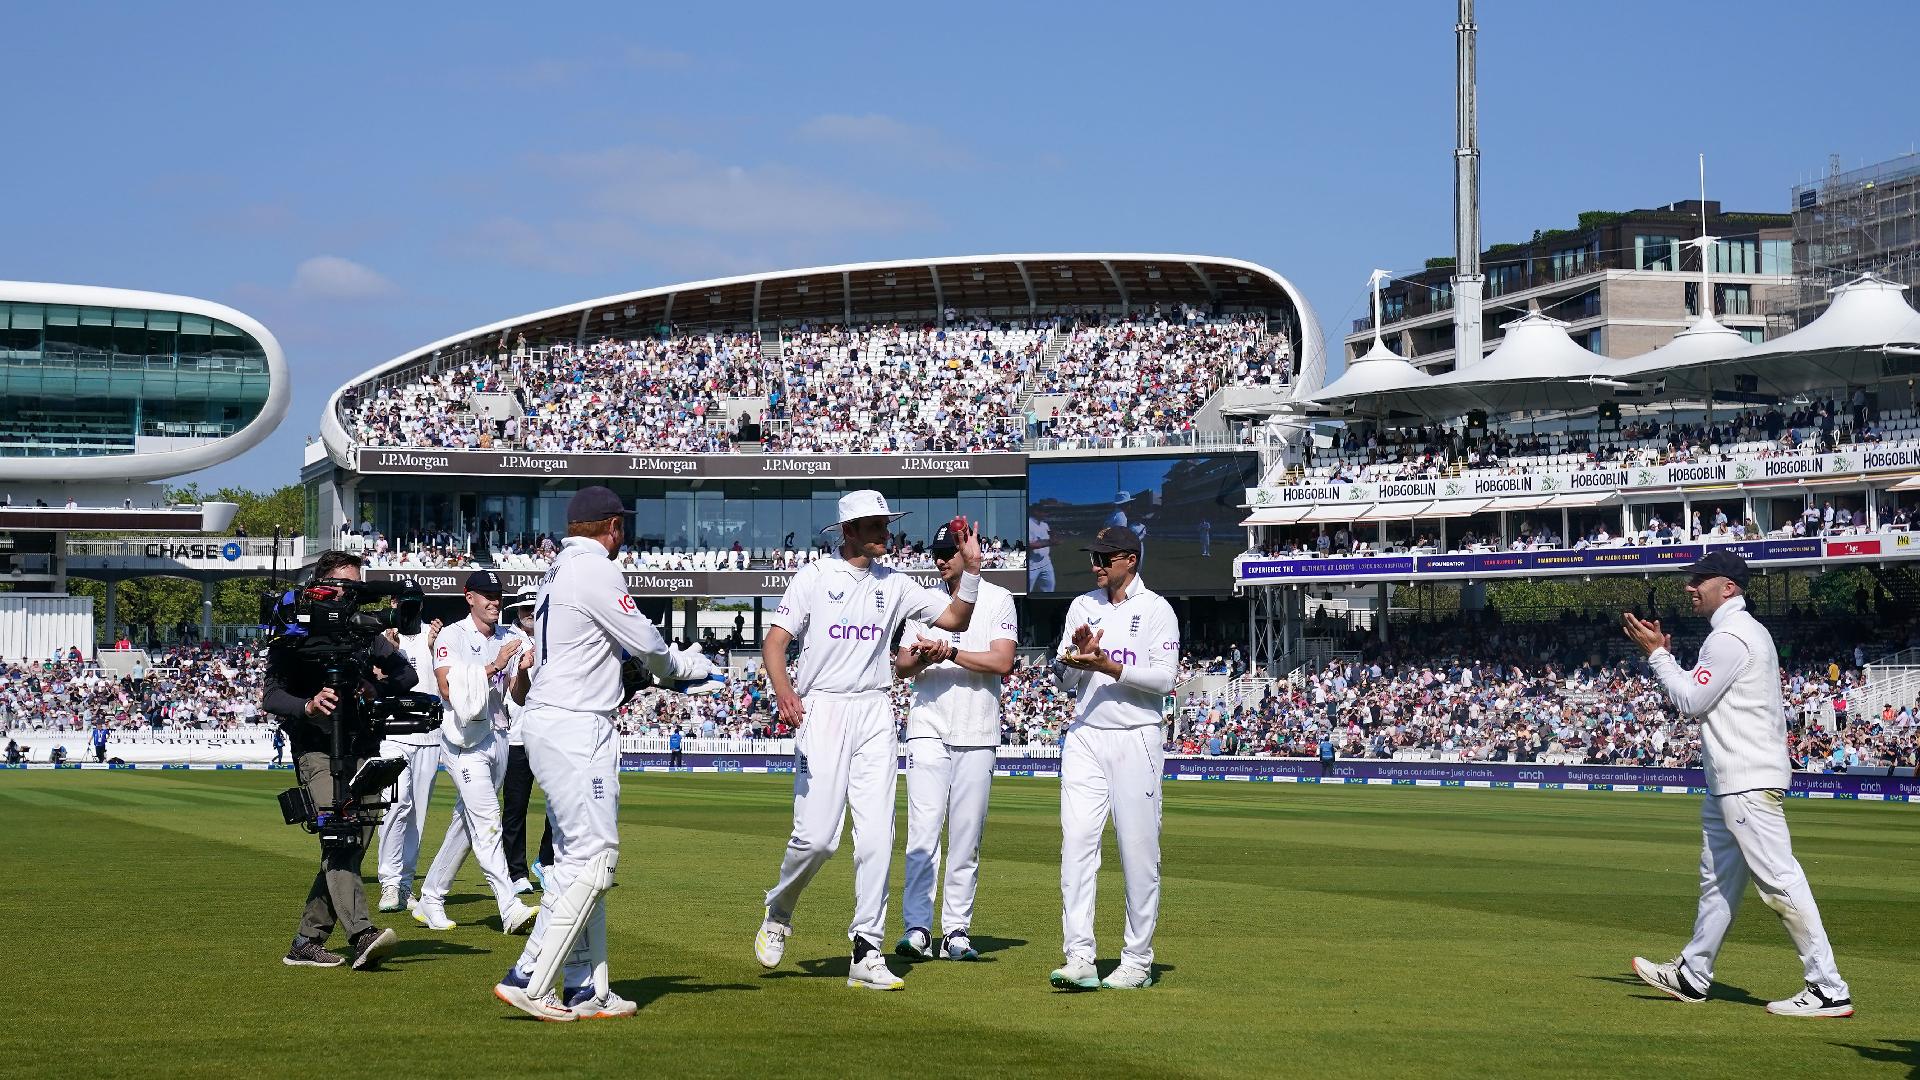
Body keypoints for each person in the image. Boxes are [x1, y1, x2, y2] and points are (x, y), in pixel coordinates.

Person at [493, 486, 711, 1022]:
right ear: (612, 526)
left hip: (554, 720)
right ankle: (530, 976)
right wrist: (684, 669)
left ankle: (587, 988)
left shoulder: (557, 573)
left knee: (576, 860)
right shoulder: (596, 571)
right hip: (576, 725)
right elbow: (648, 645)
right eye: (623, 527)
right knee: (594, 859)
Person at [752, 490, 983, 992]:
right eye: (876, 525)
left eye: (887, 523)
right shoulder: (814, 577)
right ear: (849, 532)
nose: (887, 532)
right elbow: (775, 642)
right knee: (816, 839)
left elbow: (956, 619)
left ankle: (866, 948)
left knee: (878, 837)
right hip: (824, 708)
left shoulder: (896, 584)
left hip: (876, 710)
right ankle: (780, 908)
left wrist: (972, 570)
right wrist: (786, 693)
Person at [1623, 550, 1853, 1018]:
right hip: (1731, 780)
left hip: (1745, 780)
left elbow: (1690, 701)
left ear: (1729, 587)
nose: (1691, 586)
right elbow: (1704, 695)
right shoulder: (1737, 634)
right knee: (1719, 883)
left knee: (1780, 882)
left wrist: (1659, 656)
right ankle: (1693, 971)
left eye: (1701, 579)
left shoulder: (1731, 636)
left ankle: (1828, 987)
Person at [261, 549, 413, 971]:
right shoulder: (294, 630)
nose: (350, 597)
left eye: (356, 588)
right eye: (344, 586)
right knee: (340, 834)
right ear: (321, 586)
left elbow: (406, 675)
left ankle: (306, 942)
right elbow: (271, 694)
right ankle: (362, 933)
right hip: (315, 746)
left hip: (362, 745)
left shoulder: (366, 631)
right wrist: (308, 705)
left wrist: (371, 688)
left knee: (354, 840)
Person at [1049, 525, 1178, 991]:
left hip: (1136, 736)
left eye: (1104, 559)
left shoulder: (1157, 609)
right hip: (1085, 735)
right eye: (1093, 559)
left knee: (1138, 850)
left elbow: (1165, 681)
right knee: (1077, 844)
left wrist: (1110, 666)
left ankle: (1137, 961)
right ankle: (1080, 956)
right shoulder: (1082, 606)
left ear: (1130, 560)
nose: (1095, 567)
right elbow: (1064, 683)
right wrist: (1076, 658)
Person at [892, 522, 1017, 963]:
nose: (942, 559)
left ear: (969, 552)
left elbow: (1002, 661)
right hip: (928, 726)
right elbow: (902, 666)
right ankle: (917, 928)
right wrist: (920, 655)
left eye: (949, 551)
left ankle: (957, 930)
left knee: (966, 836)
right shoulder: (923, 602)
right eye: (936, 553)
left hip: (978, 730)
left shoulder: (998, 597)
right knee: (922, 833)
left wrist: (950, 652)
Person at [414, 571, 539, 936]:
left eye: (498, 595)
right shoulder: (452, 635)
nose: (494, 601)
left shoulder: (511, 636)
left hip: (499, 735)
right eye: (486, 595)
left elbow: (518, 696)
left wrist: (524, 671)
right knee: (487, 821)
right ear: (469, 597)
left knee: (468, 826)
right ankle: (508, 905)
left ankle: (431, 896)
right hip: (463, 741)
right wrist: (497, 665)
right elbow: (448, 688)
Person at [375, 615, 444, 913]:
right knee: (395, 804)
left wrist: (432, 646)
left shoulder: (436, 634)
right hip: (392, 732)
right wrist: (386, 655)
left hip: (428, 734)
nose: (403, 609)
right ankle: (389, 881)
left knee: (418, 814)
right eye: (397, 602)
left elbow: (441, 680)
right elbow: (376, 684)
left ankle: (405, 883)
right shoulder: (382, 637)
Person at [498, 585, 555, 894]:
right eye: (524, 609)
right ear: (517, 613)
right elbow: (509, 689)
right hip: (516, 736)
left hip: (548, 735)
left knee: (558, 804)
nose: (530, 613)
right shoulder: (507, 642)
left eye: (534, 607)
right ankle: (516, 872)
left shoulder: (554, 638)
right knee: (515, 808)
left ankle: (546, 861)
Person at [1027, 504, 1056, 593]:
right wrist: (1050, 542)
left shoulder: (1044, 525)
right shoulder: (1028, 524)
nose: (1045, 514)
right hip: (1032, 566)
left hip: (1046, 563)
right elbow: (1029, 545)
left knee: (1049, 588)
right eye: (1044, 512)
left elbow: (1049, 537)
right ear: (1036, 512)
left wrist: (1054, 537)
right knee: (1027, 591)